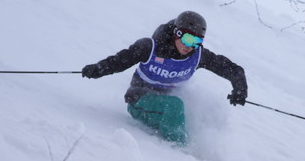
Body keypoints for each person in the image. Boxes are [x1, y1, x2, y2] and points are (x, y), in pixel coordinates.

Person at [81, 11, 247, 145]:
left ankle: (196, 148)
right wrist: (97, 69)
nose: (190, 46)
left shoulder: (198, 56)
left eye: (197, 42)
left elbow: (232, 69)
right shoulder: (149, 48)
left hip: (163, 109)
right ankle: (180, 152)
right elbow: (119, 62)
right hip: (139, 102)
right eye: (188, 39)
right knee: (175, 106)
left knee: (199, 112)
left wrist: (239, 89)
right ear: (177, 33)